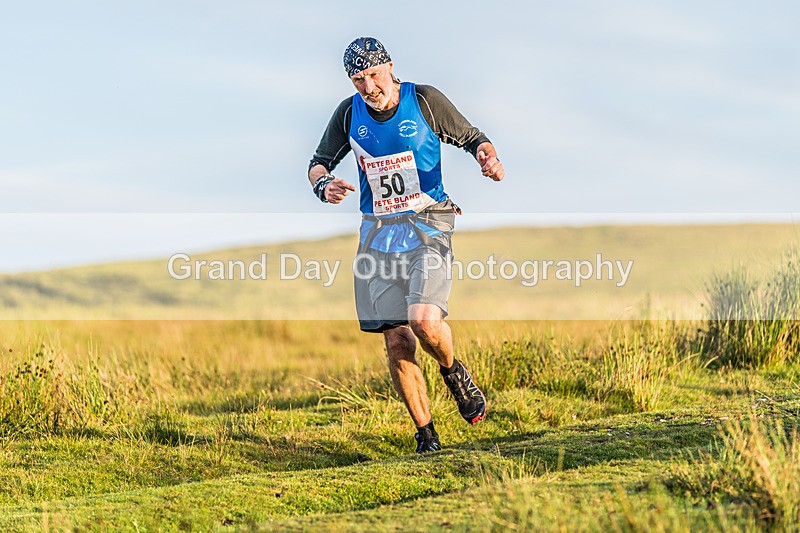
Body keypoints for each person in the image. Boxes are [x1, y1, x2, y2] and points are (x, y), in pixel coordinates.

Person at [307, 37, 504, 453]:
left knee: (424, 322)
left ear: (390, 68)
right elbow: (317, 163)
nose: (368, 87)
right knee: (397, 340)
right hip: (378, 237)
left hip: (428, 227)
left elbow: (473, 137)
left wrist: (487, 157)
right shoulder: (348, 114)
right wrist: (323, 185)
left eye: (374, 76)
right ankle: (426, 436)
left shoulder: (425, 100)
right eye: (358, 80)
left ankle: (453, 372)